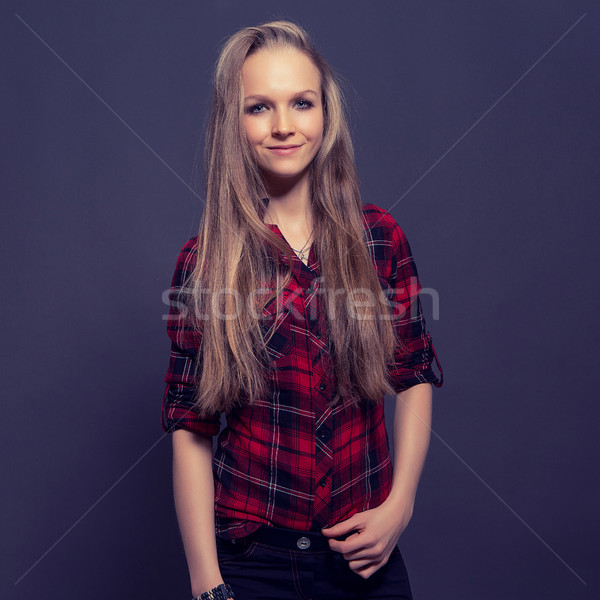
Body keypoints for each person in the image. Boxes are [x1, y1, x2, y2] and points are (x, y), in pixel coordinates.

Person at [160, 20, 444, 600]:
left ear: (325, 113)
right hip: (251, 563)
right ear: (232, 123)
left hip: (364, 556)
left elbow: (413, 373)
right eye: (259, 107)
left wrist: (400, 506)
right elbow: (191, 428)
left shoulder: (379, 238)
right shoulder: (205, 263)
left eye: (301, 103)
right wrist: (206, 583)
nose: (284, 126)